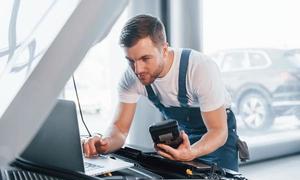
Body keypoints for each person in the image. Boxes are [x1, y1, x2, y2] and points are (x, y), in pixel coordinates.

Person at [82, 14, 239, 171]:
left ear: (164, 50)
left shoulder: (200, 68)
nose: (138, 70)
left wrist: (191, 152)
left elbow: (218, 131)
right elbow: (120, 129)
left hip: (216, 135)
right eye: (130, 60)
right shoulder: (132, 77)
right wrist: (104, 143)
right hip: (182, 135)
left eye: (145, 58)